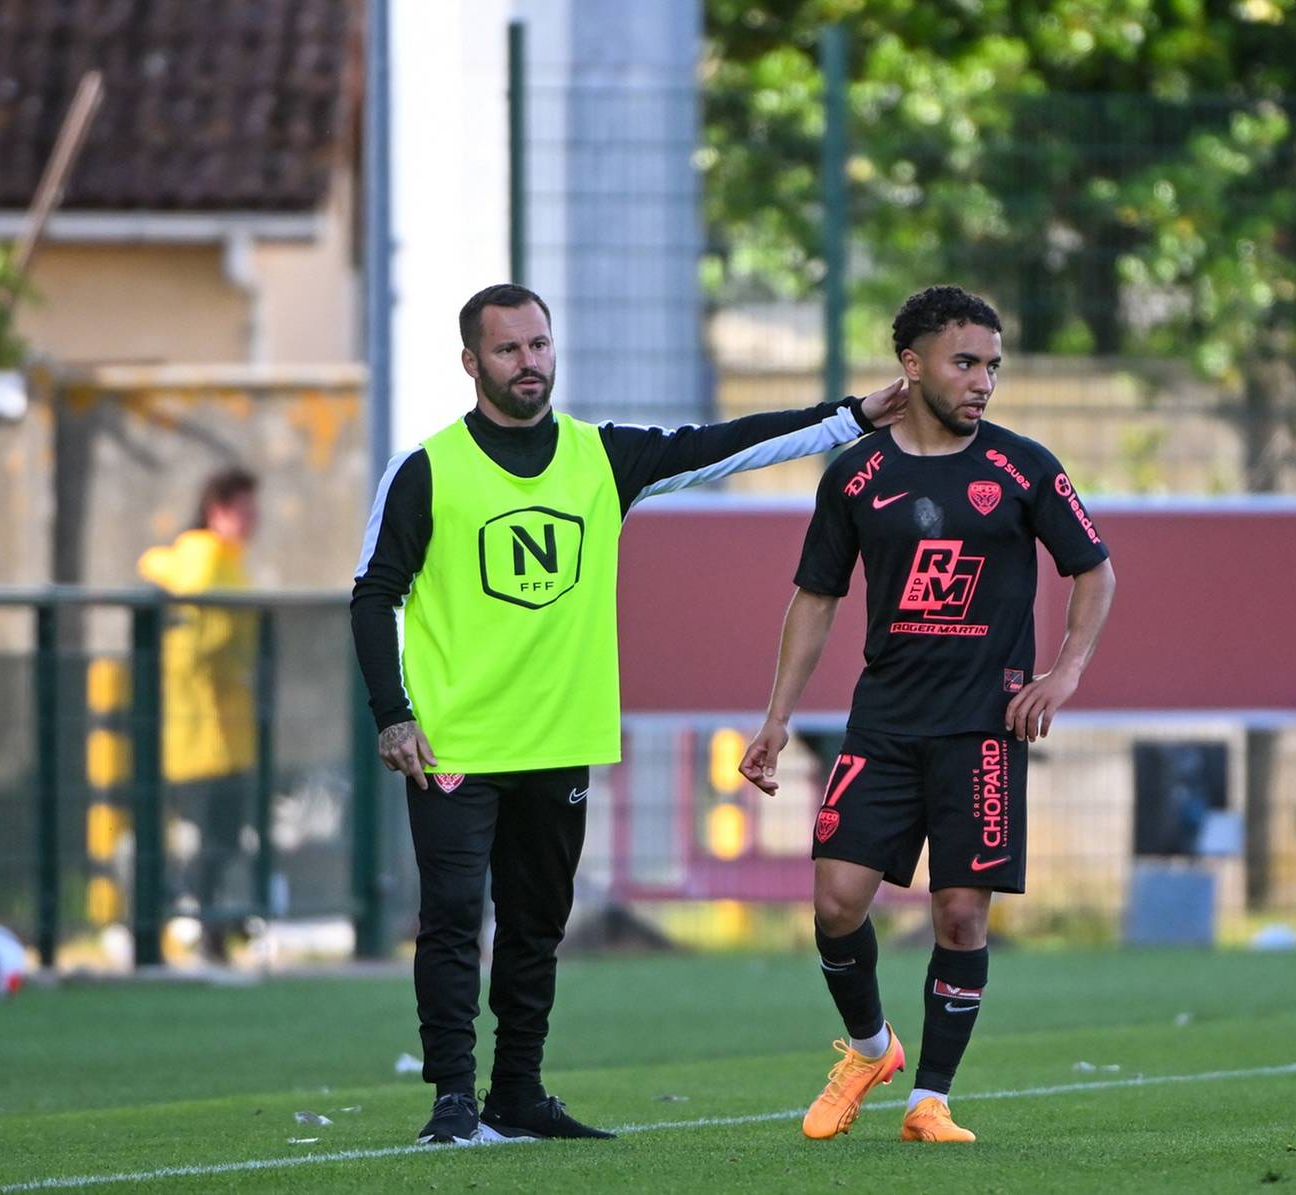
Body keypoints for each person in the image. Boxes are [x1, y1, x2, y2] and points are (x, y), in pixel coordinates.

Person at [351, 283, 906, 1147]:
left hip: (560, 740)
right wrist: (395, 715)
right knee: (454, 922)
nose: (529, 362)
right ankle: (453, 1100)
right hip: (454, 743)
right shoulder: (426, 469)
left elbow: (723, 446)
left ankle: (518, 1094)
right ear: (471, 362)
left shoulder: (600, 456)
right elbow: (372, 594)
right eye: (508, 349)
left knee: (536, 926)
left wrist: (850, 417)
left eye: (539, 344)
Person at [739, 285, 1117, 1144]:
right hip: (884, 723)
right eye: (965, 363)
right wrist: (777, 717)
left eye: (993, 366)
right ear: (911, 365)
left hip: (983, 731)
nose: (983, 381)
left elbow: (1094, 570)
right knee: (837, 901)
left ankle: (929, 1101)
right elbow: (816, 597)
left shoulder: (1024, 467)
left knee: (960, 915)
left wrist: (1064, 673)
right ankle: (872, 1049)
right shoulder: (857, 475)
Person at [137, 466, 261, 963]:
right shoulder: (204, 559)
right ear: (216, 510)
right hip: (200, 730)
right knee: (207, 838)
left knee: (224, 837)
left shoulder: (229, 561)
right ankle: (198, 927)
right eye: (243, 509)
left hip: (227, 729)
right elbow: (196, 639)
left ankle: (214, 928)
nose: (253, 519)